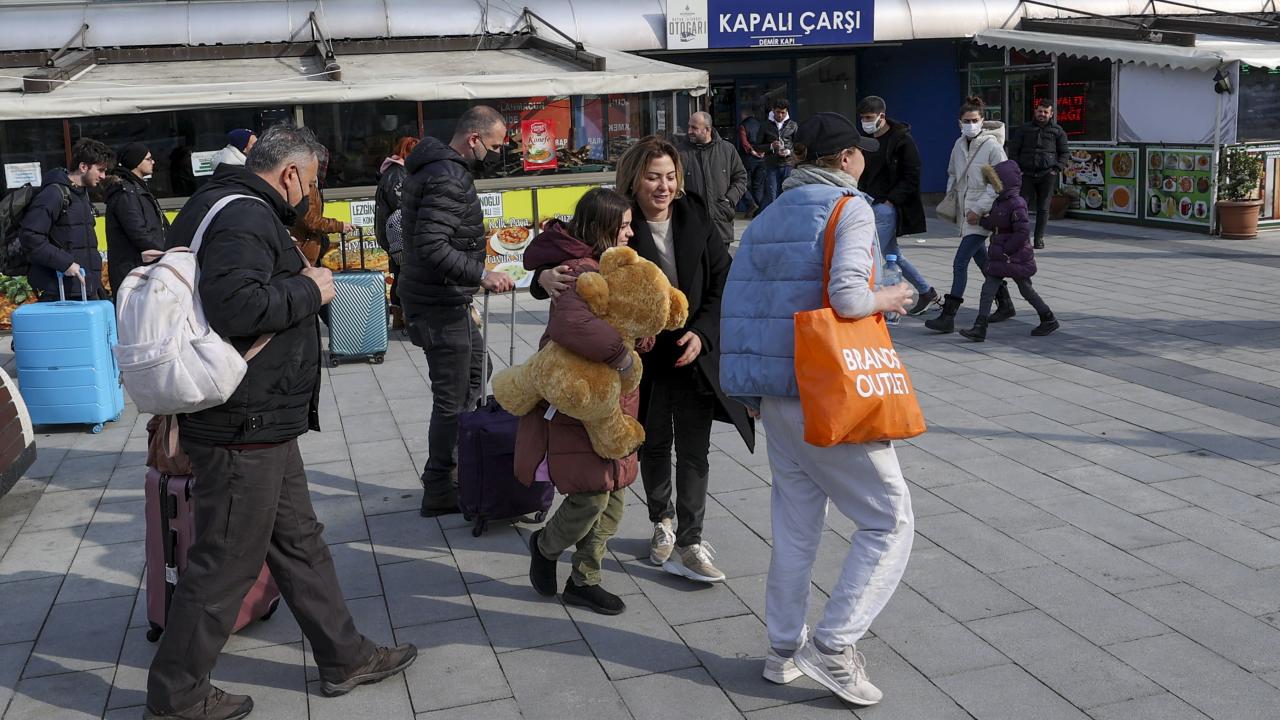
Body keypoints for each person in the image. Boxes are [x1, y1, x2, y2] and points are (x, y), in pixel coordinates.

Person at [144, 124, 416, 720]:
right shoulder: (244, 216)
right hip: (243, 420)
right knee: (227, 559)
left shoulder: (212, 201)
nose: (310, 196)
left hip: (260, 417)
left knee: (298, 540)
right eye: (312, 183)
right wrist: (310, 289)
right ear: (291, 173)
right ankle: (177, 694)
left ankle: (345, 656)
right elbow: (237, 306)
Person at [719, 111, 915, 707]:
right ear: (847, 158)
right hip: (828, 392)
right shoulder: (848, 207)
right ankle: (833, 644)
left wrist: (748, 393)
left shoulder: (769, 213)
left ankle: (784, 650)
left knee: (797, 524)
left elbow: (743, 305)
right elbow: (850, 297)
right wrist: (895, 295)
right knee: (889, 519)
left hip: (774, 394)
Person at [536, 137, 754, 583]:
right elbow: (558, 251)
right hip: (638, 362)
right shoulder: (618, 220)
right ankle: (663, 523)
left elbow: (724, 281)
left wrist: (703, 334)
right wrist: (542, 277)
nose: (663, 186)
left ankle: (691, 541)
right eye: (653, 176)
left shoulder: (697, 216)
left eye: (670, 177)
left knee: (695, 450)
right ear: (635, 179)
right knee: (652, 443)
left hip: (692, 356)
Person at [520, 188, 639, 615]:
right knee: (591, 494)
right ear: (603, 228)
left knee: (616, 492)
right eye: (623, 226)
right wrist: (623, 353)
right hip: (581, 399)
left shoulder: (612, 265)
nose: (630, 232)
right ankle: (547, 545)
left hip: (614, 401)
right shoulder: (577, 273)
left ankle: (585, 579)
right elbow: (573, 326)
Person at [399, 106, 515, 517]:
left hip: (441, 298)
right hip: (440, 302)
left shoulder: (433, 167)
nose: (497, 154)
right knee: (452, 398)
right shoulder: (448, 176)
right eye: (495, 146)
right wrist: (480, 274)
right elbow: (432, 245)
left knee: (473, 374)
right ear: (474, 139)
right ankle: (439, 486)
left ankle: (458, 467)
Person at [925, 96, 1009, 334]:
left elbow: (998, 183)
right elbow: (953, 172)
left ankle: (948, 315)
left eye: (974, 120)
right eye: (966, 120)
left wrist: (978, 209)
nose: (970, 124)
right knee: (982, 260)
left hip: (982, 213)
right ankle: (1005, 302)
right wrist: (952, 196)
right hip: (965, 210)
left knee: (960, 262)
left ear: (983, 120)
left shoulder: (992, 146)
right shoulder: (959, 144)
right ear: (959, 122)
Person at [856, 96, 940, 316]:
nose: (865, 122)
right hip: (869, 202)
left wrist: (891, 200)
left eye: (869, 117)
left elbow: (912, 173)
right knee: (893, 254)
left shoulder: (901, 139)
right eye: (862, 118)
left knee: (870, 254)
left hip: (887, 207)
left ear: (881, 116)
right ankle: (926, 291)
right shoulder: (867, 139)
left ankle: (867, 303)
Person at [959, 160, 1060, 342]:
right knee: (988, 290)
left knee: (1025, 289)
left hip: (1013, 256)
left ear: (1003, 182)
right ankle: (980, 327)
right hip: (1000, 254)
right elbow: (997, 223)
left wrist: (1006, 251)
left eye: (994, 181)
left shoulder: (1017, 203)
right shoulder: (1000, 201)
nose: (991, 185)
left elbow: (1022, 232)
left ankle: (1048, 317)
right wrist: (982, 221)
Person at [19, 137, 113, 301]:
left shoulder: (81, 194)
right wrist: (65, 263)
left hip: (84, 288)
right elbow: (30, 236)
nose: (103, 176)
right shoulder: (54, 194)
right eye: (100, 170)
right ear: (83, 167)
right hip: (60, 291)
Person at [104, 142, 168, 298]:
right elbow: (138, 232)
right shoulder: (125, 193)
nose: (153, 162)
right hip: (133, 270)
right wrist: (164, 253)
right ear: (136, 162)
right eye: (148, 158)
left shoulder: (137, 188)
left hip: (144, 266)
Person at [1006, 98, 1070, 249]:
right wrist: (1018, 169)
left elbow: (1065, 153)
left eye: (1045, 112)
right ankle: (1022, 237)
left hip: (1047, 174)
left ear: (1051, 114)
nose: (1042, 114)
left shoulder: (1058, 131)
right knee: (1022, 207)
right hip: (1026, 173)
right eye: (1040, 111)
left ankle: (1039, 238)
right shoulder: (1024, 129)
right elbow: (1014, 150)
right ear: (1035, 112)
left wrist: (1057, 169)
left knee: (1043, 208)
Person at [679, 111, 748, 247]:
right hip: (692, 228)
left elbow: (741, 177)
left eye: (694, 128)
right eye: (689, 127)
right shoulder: (679, 153)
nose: (689, 131)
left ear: (707, 129)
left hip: (720, 225)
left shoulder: (727, 150)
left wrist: (729, 200)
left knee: (721, 267)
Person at [374, 136, 418, 330]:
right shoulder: (397, 174)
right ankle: (405, 318)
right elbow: (403, 207)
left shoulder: (394, 172)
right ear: (405, 153)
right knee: (406, 273)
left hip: (392, 233)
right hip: (399, 234)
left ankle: (401, 317)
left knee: (401, 273)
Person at [290, 145, 354, 266]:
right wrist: (339, 226)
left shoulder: (312, 185)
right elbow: (310, 220)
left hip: (307, 246)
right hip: (304, 249)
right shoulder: (307, 187)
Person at [759, 99, 798, 212]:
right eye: (777, 112)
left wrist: (789, 152)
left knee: (787, 193)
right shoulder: (765, 126)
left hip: (788, 164)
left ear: (786, 112)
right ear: (773, 111)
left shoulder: (793, 125)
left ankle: (786, 217)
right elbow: (757, 146)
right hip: (771, 165)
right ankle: (773, 219)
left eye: (783, 113)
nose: (780, 115)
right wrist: (771, 146)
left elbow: (799, 145)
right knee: (772, 195)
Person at [736, 109, 767, 216]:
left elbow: (744, 143)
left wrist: (753, 151)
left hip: (748, 159)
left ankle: (751, 203)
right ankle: (759, 211)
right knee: (758, 185)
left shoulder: (743, 126)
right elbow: (766, 140)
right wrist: (762, 152)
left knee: (742, 183)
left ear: (744, 115)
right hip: (762, 159)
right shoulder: (761, 125)